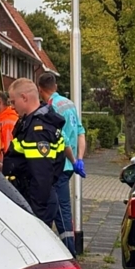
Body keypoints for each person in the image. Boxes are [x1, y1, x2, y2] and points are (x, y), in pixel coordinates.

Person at [1, 78, 66, 222]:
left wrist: (37, 214)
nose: (11, 106)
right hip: (35, 196)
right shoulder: (32, 121)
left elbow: (41, 174)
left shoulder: (37, 130)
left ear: (24, 98)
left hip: (36, 201)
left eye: (13, 101)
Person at [37, 71, 86, 256]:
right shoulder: (69, 103)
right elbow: (80, 131)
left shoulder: (51, 108)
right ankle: (66, 249)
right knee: (61, 208)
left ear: (40, 89)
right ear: (55, 86)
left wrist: (73, 160)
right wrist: (80, 159)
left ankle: (69, 252)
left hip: (60, 165)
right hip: (70, 166)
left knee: (60, 209)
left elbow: (62, 140)